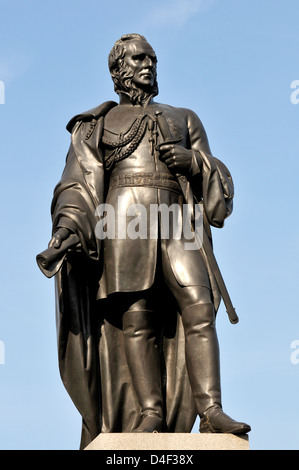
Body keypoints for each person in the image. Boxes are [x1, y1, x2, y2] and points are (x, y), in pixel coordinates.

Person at [42, 33, 250, 448]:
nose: (147, 65)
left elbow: (218, 181)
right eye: (138, 59)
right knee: (136, 317)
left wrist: (195, 163)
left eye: (151, 58)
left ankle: (210, 409)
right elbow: (76, 185)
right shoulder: (95, 126)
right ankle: (150, 412)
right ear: (118, 69)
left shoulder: (184, 117)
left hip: (177, 222)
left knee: (199, 306)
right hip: (122, 222)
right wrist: (67, 229)